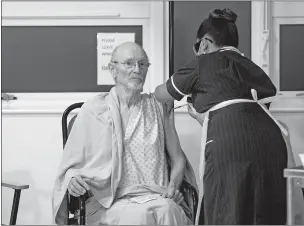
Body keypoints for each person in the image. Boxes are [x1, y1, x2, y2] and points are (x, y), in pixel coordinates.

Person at [154, 8, 293, 225]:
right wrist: (204, 119)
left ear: (203, 43)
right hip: (273, 143)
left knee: (225, 205)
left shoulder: (202, 63)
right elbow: (250, 112)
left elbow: (162, 94)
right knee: (264, 208)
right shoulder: (253, 68)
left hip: (230, 143)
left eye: (197, 47)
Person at [52, 42, 197, 225]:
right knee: (141, 216)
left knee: (167, 209)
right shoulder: (94, 110)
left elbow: (178, 159)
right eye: (129, 63)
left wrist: (173, 186)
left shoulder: (159, 106)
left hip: (157, 195)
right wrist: (72, 179)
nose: (137, 69)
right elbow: (71, 166)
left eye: (143, 64)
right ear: (113, 70)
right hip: (109, 201)